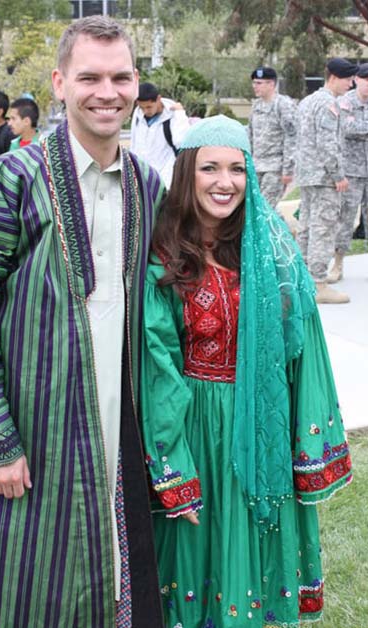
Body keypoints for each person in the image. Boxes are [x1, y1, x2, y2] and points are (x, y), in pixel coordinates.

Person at [0, 16, 165, 628]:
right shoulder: (8, 179)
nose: (107, 92)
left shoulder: (146, 184)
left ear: (136, 82)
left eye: (120, 77)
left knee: (109, 574)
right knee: (21, 582)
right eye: (89, 77)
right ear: (60, 83)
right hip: (30, 430)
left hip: (117, 424)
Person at [141, 115, 352, 628]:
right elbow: (157, 364)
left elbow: (305, 349)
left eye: (237, 169)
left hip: (263, 430)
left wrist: (302, 440)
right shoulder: (163, 252)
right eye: (210, 168)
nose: (225, 182)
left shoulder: (270, 248)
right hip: (196, 429)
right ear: (187, 172)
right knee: (195, 564)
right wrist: (173, 466)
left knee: (251, 566)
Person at [296, 57, 357, 304]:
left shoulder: (308, 101)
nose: (351, 84)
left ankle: (302, 279)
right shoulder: (328, 104)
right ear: (333, 77)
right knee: (323, 229)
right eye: (347, 79)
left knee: (306, 227)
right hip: (323, 177)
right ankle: (318, 283)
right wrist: (338, 175)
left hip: (308, 175)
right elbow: (327, 143)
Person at [329, 63, 368, 282]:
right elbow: (347, 128)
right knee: (345, 218)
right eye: (365, 79)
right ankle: (338, 263)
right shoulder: (345, 102)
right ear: (357, 80)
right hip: (351, 172)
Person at [248, 66, 297, 210]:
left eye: (259, 83)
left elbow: (292, 137)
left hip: (275, 167)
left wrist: (288, 169)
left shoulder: (283, 105)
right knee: (256, 207)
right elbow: (251, 135)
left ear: (271, 84)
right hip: (257, 166)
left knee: (265, 208)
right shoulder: (256, 106)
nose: (255, 86)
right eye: (254, 83)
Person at [130, 81, 190, 188]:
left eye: (149, 107)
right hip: (141, 176)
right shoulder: (138, 113)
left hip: (165, 177)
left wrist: (180, 114)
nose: (145, 111)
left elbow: (181, 142)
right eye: (142, 107)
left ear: (158, 99)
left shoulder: (173, 115)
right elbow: (134, 143)